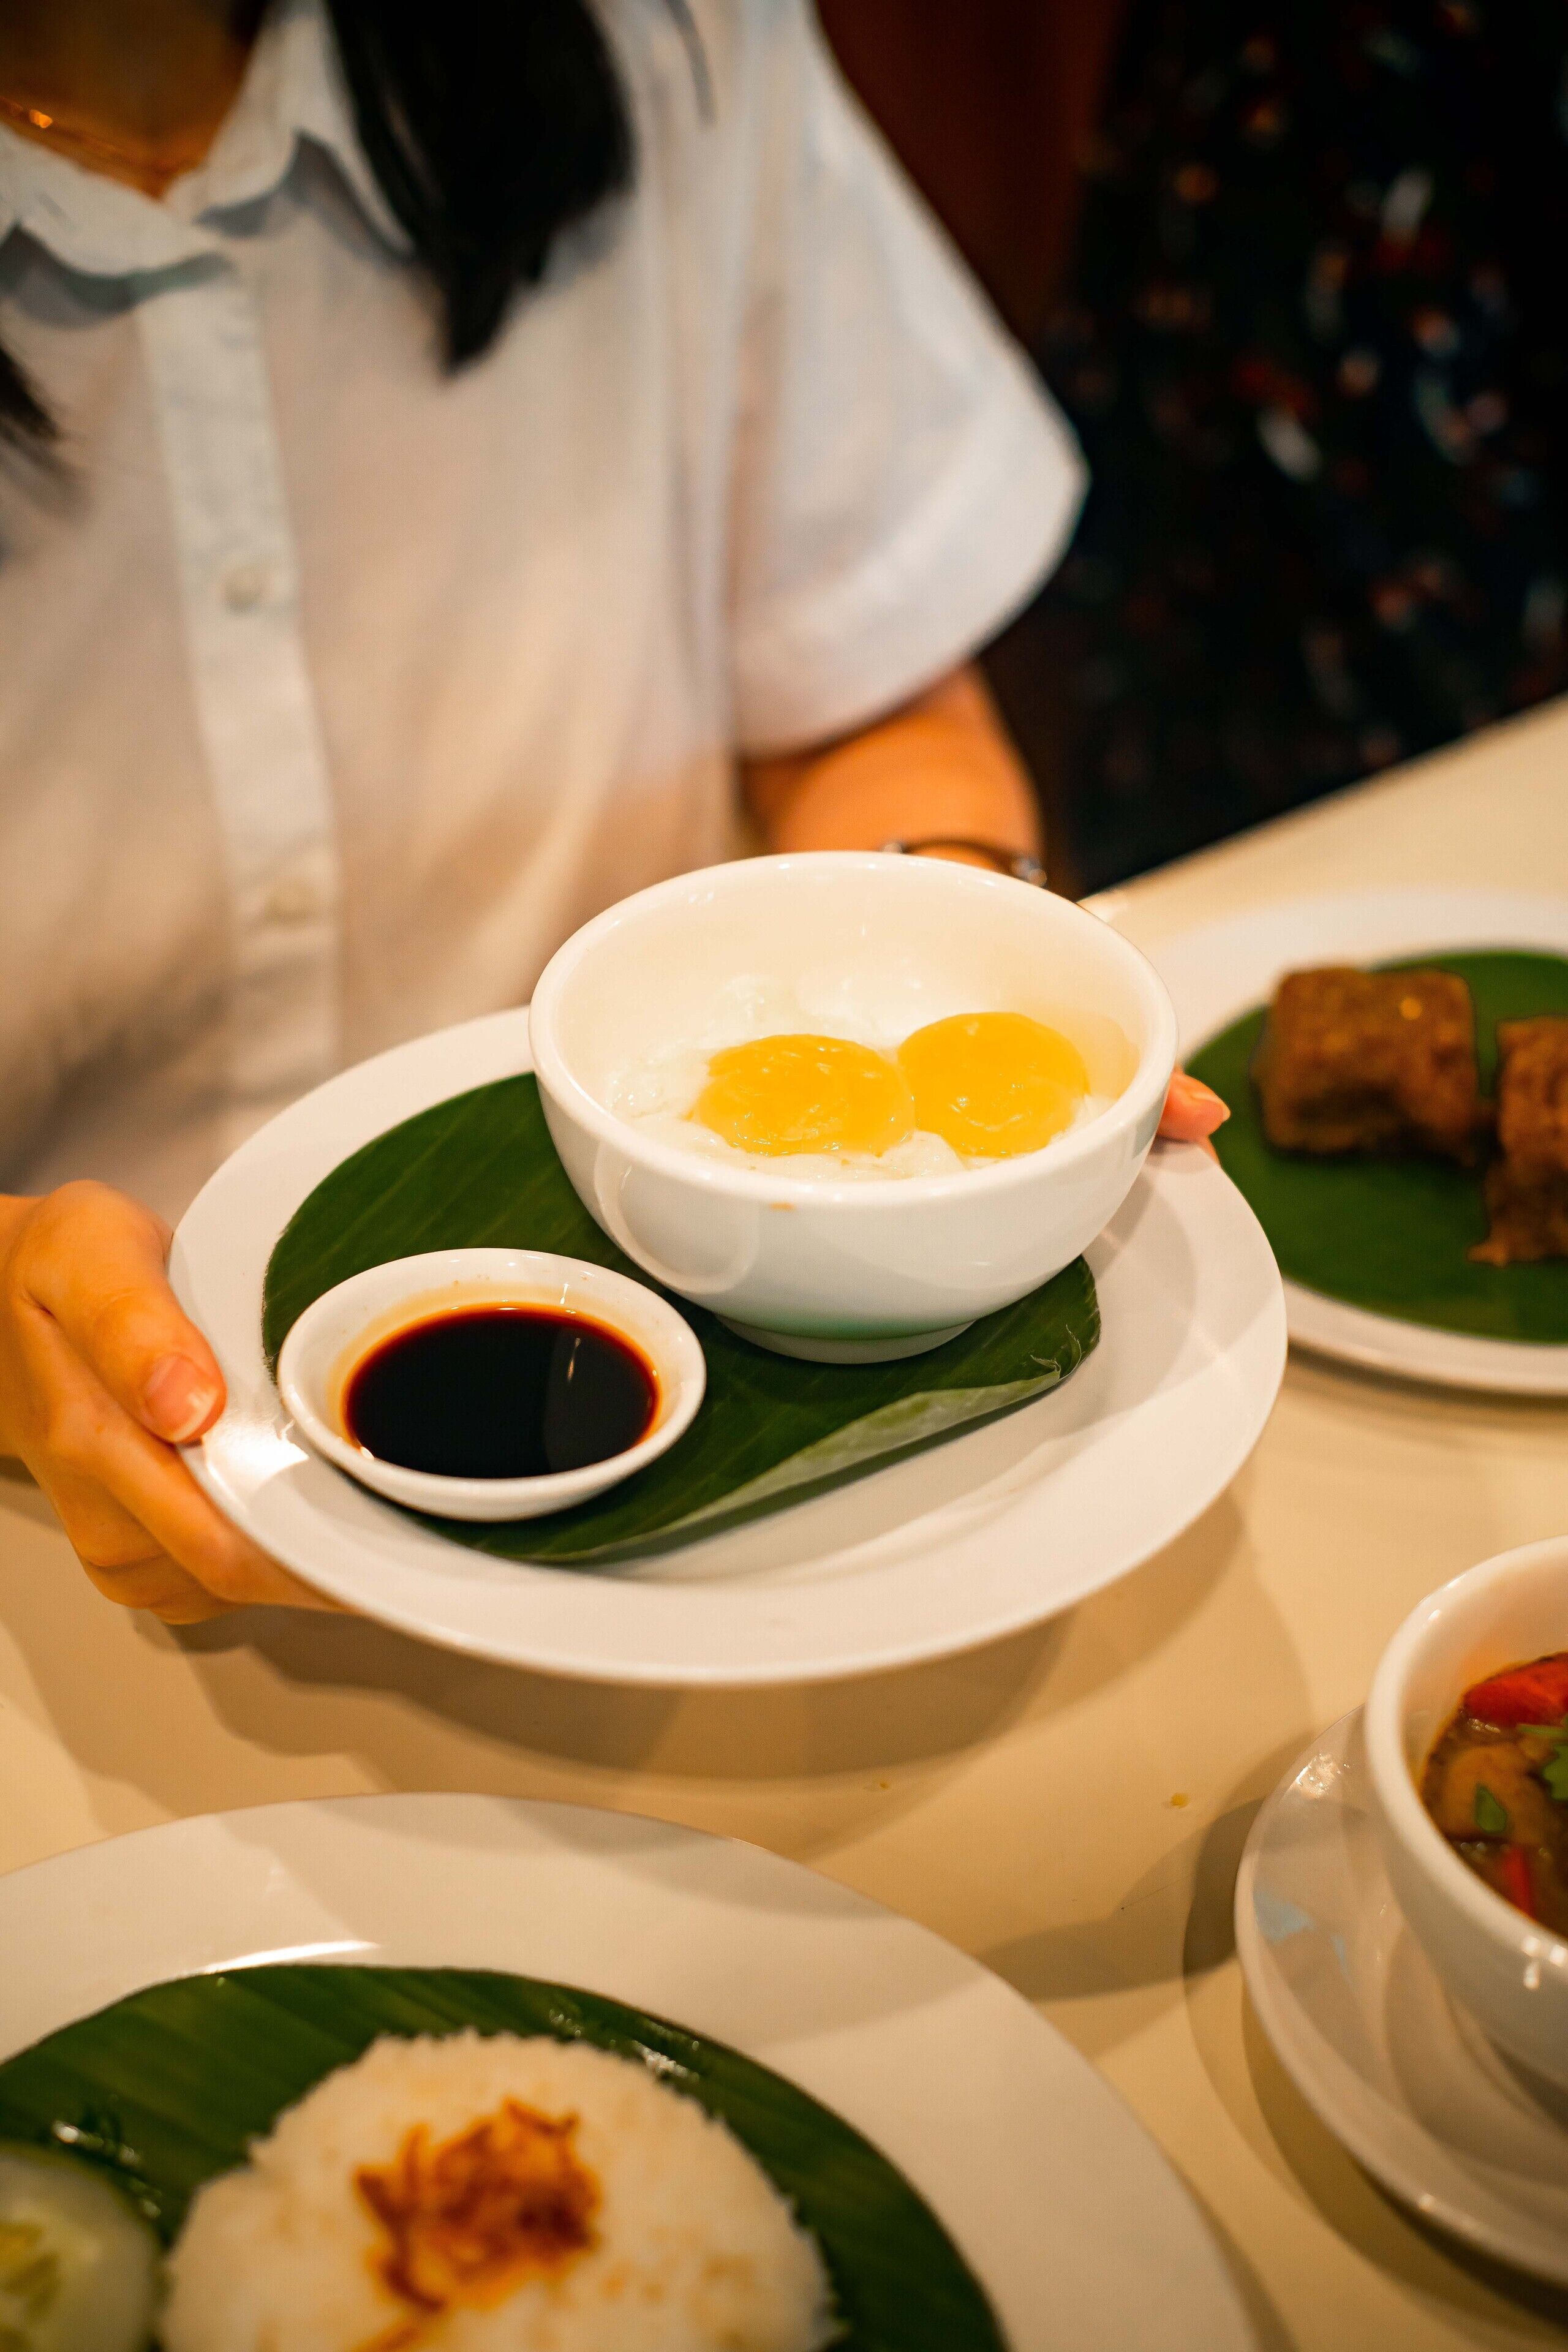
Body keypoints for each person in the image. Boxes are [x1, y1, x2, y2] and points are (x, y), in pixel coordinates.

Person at [0, 0, 1223, 1626]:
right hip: (71, 1542)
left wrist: (965, 1015)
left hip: (735, 1393)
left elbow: (863, 701)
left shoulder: (678, 38)